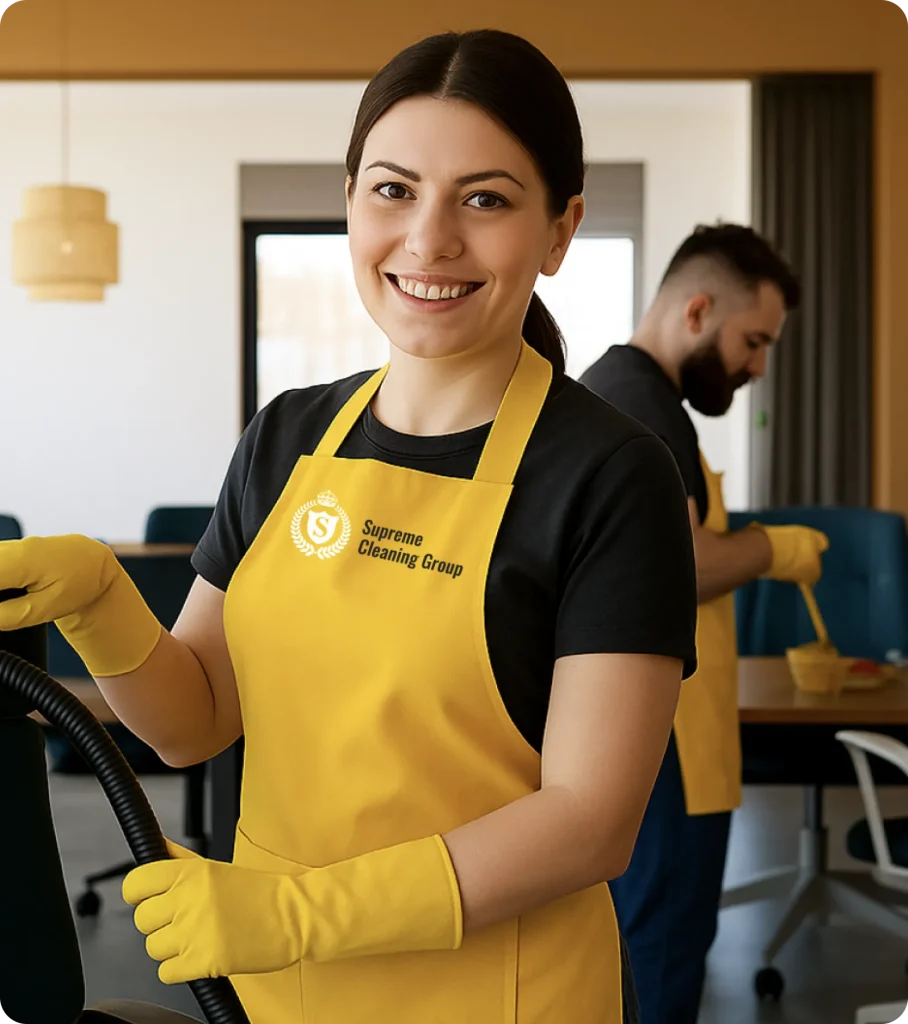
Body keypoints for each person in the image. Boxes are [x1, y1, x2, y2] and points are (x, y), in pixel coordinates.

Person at [0, 30, 699, 1024]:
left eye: (485, 198)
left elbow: (589, 822)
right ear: (348, 200)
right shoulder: (289, 435)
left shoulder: (608, 475)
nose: (427, 240)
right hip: (277, 993)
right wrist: (103, 602)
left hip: (493, 995)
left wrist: (296, 910)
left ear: (557, 231)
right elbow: (193, 720)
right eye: (392, 190)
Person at [580, 223, 829, 1024]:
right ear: (696, 311)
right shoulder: (641, 406)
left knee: (650, 940)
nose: (758, 366)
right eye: (753, 341)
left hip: (664, 725)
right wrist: (770, 547)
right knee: (661, 946)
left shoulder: (626, 393)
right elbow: (680, 565)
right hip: (666, 737)